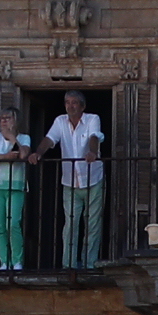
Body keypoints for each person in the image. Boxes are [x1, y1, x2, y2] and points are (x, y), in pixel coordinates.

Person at [46, 88, 105, 267]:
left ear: (82, 106)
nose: (70, 106)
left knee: (93, 224)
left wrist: (92, 152)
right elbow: (49, 139)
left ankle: (89, 263)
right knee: (70, 224)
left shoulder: (92, 119)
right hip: (70, 181)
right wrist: (38, 153)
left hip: (93, 179)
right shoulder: (59, 121)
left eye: (74, 103)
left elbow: (95, 136)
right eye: (67, 102)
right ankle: (69, 264)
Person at [0, 103, 33, 271]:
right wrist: (4, 156)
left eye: (7, 118)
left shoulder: (24, 138)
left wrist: (11, 138)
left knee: (13, 223)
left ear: (15, 120)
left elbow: (23, 154)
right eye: (1, 118)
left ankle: (17, 261)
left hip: (16, 185)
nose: (3, 121)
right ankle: (5, 261)